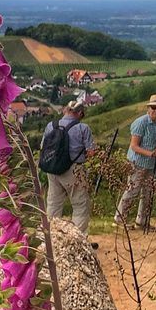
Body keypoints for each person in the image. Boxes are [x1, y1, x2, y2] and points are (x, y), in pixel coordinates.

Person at [42, 98, 95, 234]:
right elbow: (91, 152)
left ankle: (52, 236)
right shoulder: (83, 128)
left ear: (66, 110)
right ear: (80, 113)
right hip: (74, 169)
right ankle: (78, 239)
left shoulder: (51, 125)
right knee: (80, 204)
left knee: (54, 202)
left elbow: (43, 147)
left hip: (52, 169)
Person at [116, 94, 156, 231]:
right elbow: (134, 146)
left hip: (151, 164)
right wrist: (152, 153)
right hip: (137, 162)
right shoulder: (141, 122)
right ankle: (119, 218)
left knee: (148, 192)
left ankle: (142, 221)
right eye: (153, 107)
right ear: (148, 108)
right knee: (132, 190)